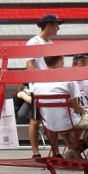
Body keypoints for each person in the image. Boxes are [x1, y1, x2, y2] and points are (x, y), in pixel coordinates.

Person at [28, 56, 88, 162]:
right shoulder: (68, 80)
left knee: (70, 127)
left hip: (50, 125)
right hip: (69, 123)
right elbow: (76, 107)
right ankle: (77, 152)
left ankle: (72, 152)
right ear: (60, 61)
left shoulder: (37, 84)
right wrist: (85, 111)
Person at [26, 13, 63, 158]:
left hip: (52, 86)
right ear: (49, 25)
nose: (58, 29)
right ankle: (36, 152)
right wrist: (34, 87)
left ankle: (56, 152)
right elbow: (30, 65)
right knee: (36, 120)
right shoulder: (33, 42)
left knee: (52, 119)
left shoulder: (51, 44)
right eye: (57, 25)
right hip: (39, 87)